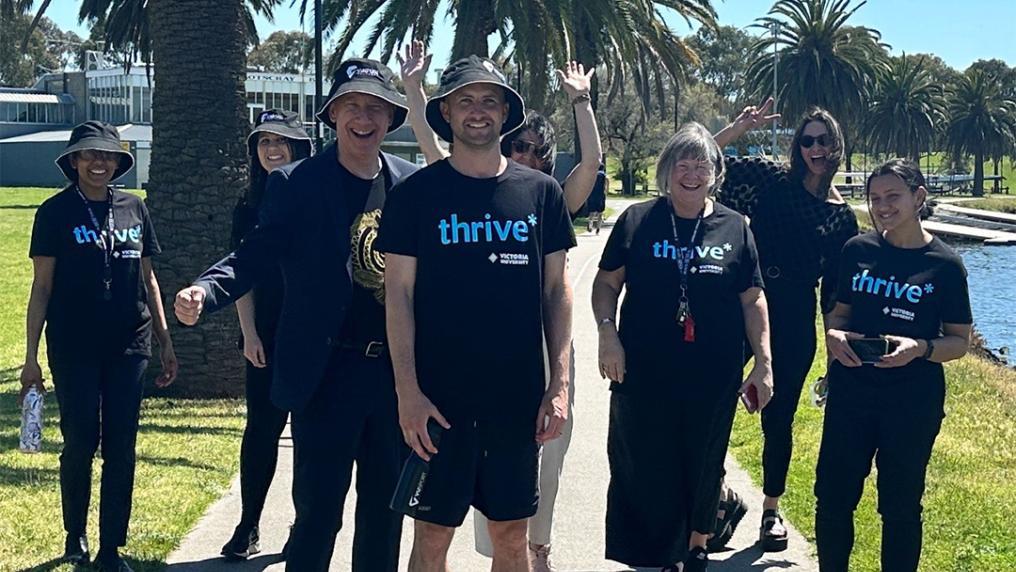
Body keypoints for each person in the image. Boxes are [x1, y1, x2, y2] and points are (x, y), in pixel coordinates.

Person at [173, 59, 417, 572]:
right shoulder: (296, 182)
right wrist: (206, 288)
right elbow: (256, 253)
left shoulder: (410, 185)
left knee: (384, 515)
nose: (363, 117)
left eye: (375, 107)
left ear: (391, 119)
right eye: (351, 105)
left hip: (393, 378)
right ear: (332, 115)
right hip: (325, 375)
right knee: (317, 516)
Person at [400, 40, 601, 571]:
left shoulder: (540, 194)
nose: (478, 111)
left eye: (490, 101)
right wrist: (407, 392)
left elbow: (558, 293)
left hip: (516, 401)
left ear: (505, 112)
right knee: (432, 536)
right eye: (465, 100)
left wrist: (557, 387)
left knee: (512, 535)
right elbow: (397, 296)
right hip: (438, 402)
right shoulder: (418, 195)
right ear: (445, 111)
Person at [592, 122, 773, 572]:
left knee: (704, 457)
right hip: (643, 368)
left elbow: (753, 299)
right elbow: (606, 283)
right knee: (642, 457)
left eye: (702, 165)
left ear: (715, 173)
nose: (691, 174)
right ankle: (653, 549)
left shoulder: (735, 227)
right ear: (666, 169)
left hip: (713, 371)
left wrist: (764, 364)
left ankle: (695, 543)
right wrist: (606, 333)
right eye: (682, 164)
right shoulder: (638, 219)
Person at [20, 120, 178, 572]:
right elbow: (41, 287)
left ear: (118, 163)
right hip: (74, 345)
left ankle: (112, 546)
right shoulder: (54, 213)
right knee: (80, 441)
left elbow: (148, 276)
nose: (99, 162)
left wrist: (165, 340)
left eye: (107, 156)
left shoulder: (134, 208)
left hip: (131, 342)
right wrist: (30, 359)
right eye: (90, 154)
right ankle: (76, 537)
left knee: (122, 445)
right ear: (73, 161)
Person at [710, 102, 859, 551]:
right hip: (742, 298)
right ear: (797, 147)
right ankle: (714, 497)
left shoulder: (840, 217)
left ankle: (771, 512)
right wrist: (737, 128)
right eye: (807, 140)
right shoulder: (770, 178)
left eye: (823, 140)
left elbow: (833, 295)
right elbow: (700, 161)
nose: (815, 148)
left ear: (836, 147)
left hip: (794, 317)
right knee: (712, 400)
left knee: (779, 418)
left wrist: (836, 354)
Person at [817, 159, 972, 572]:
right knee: (833, 497)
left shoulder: (945, 265)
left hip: (912, 401)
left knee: (901, 506)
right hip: (852, 392)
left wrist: (919, 347)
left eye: (893, 197)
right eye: (875, 199)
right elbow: (839, 314)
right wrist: (833, 337)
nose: (883, 207)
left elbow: (959, 341)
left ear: (918, 197)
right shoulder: (857, 250)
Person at [220, 109, 313, 560]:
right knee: (261, 432)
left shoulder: (318, 194)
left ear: (299, 146)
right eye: (264, 142)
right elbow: (242, 275)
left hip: (317, 338)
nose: (272, 149)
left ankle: (304, 526)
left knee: (312, 439)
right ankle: (248, 525)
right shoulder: (247, 205)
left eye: (282, 141)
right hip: (266, 338)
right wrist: (249, 333)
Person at [586, 162, 608, 234]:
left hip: (592, 195)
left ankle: (590, 224)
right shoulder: (604, 176)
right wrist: (605, 193)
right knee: (600, 213)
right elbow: (606, 184)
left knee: (592, 212)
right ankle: (598, 228)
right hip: (600, 195)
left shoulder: (592, 175)